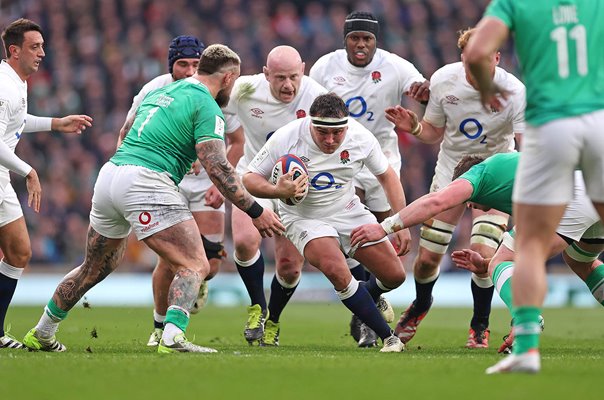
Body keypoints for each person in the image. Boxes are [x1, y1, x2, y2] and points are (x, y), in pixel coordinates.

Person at [22, 44, 284, 353]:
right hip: (146, 182)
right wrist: (256, 211)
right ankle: (172, 337)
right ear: (227, 79)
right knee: (196, 263)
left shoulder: (160, 92)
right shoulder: (209, 107)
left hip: (110, 176)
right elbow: (219, 168)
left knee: (93, 267)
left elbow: (128, 129)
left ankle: (43, 331)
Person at [350, 152, 604, 364]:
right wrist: (487, 265)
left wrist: (384, 227)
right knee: (581, 261)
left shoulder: (478, 173)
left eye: (467, 199)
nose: (468, 206)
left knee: (503, 261)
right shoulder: (511, 178)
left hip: (567, 196)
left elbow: (437, 201)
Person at [464, 0, 604, 373]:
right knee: (580, 256)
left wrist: (486, 87)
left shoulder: (515, 4)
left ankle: (527, 348)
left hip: (552, 126)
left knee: (522, 248)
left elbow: (477, 50)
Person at [382, 27, 525, 349]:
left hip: (496, 177)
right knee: (428, 259)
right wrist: (415, 126)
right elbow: (433, 132)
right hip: (453, 173)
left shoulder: (514, 91)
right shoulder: (444, 79)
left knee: (484, 255)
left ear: (497, 58)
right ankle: (420, 304)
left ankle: (480, 325)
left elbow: (524, 145)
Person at [244, 92, 409, 352]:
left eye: (337, 133)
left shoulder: (361, 137)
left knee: (395, 275)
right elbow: (250, 178)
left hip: (347, 209)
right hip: (303, 216)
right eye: (323, 133)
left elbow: (388, 176)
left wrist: (400, 222)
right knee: (336, 270)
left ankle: (364, 302)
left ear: (346, 126)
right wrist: (278, 192)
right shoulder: (288, 137)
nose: (331, 140)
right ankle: (389, 337)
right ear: (311, 124)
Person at [309, 11, 425, 346]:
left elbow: (421, 91)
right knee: (350, 224)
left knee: (382, 232)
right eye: (354, 38)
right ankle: (366, 314)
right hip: (338, 154)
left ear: (377, 41)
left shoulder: (395, 66)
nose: (361, 44)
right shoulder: (325, 67)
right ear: (344, 40)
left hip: (381, 157)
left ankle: (368, 300)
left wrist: (422, 97)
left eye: (367, 39)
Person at [116, 35, 225, 347]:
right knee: (171, 260)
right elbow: (127, 133)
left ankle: (192, 286)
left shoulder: (216, 90)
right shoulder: (154, 89)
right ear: (171, 65)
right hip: (164, 182)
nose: (190, 71)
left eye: (195, 64)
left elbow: (236, 138)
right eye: (183, 64)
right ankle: (160, 328)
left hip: (206, 183)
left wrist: (215, 170)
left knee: (211, 265)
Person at [222, 46, 327, 346]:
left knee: (290, 267)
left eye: (294, 76)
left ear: (303, 70)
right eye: (279, 77)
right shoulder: (243, 90)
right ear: (266, 73)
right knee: (243, 242)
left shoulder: (318, 98)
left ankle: (274, 319)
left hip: (297, 187)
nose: (288, 85)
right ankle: (258, 306)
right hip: (253, 176)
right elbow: (207, 105)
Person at [0, 18, 92, 349]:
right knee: (17, 250)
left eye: (42, 46)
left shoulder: (16, 83)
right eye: (34, 47)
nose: (42, 53)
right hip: (6, 175)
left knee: (19, 251)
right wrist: (29, 171)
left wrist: (55, 123)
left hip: (1, 179)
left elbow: (16, 121)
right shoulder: (3, 85)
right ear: (14, 50)